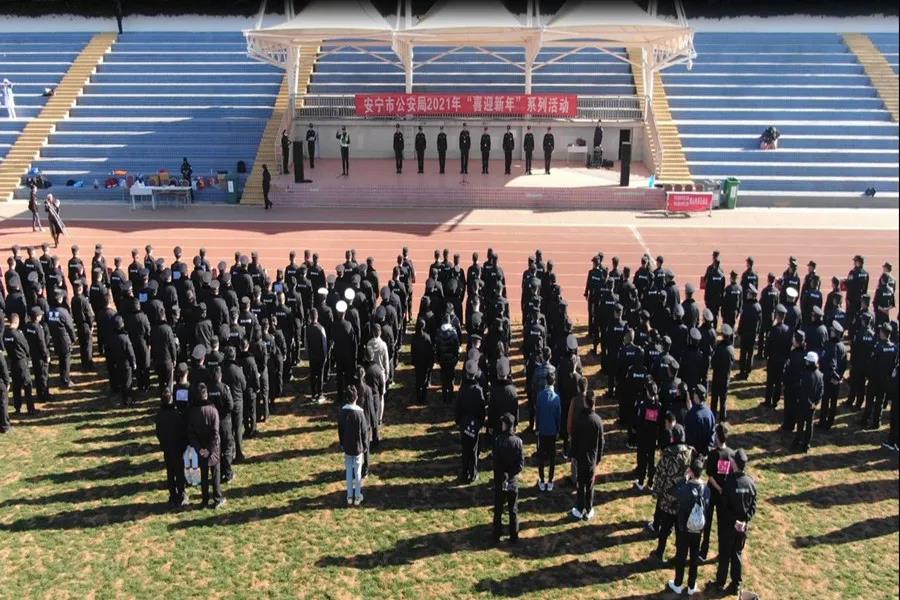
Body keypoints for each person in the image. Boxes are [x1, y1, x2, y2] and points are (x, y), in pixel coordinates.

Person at [715, 449, 757, 596]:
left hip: (729, 526)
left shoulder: (729, 482)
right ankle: (736, 585)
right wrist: (744, 521)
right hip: (742, 528)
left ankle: (720, 583)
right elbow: (753, 506)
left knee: (725, 555)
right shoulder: (751, 483)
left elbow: (724, 507)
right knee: (737, 554)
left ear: (735, 464)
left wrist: (734, 521)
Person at [667, 458, 710, 597]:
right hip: (698, 529)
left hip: (684, 528)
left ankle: (678, 584)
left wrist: (683, 479)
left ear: (690, 471)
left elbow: (671, 491)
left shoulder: (685, 489)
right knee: (694, 557)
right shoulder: (706, 489)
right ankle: (691, 585)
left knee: (681, 556)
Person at [651, 423, 692, 561]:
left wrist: (656, 492)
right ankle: (679, 556)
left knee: (665, 528)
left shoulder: (668, 454)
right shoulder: (690, 452)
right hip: (683, 498)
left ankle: (659, 552)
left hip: (668, 498)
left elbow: (660, 475)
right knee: (680, 530)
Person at [700, 423, 734, 563]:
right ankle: (722, 551)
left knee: (707, 523)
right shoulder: (731, 454)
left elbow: (710, 475)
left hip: (713, 492)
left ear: (717, 437)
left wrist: (718, 488)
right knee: (722, 525)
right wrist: (722, 489)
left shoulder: (713, 454)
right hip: (723, 494)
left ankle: (704, 551)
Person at [188, 383, 225, 509]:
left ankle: (205, 500)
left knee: (204, 474)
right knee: (215, 473)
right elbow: (215, 433)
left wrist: (199, 449)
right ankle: (217, 498)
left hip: (201, 448)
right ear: (206, 394)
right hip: (212, 448)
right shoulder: (213, 411)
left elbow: (191, 434)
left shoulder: (193, 412)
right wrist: (209, 449)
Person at [571, 390, 604, 521]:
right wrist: (598, 458)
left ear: (585, 403)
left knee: (580, 484)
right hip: (592, 459)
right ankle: (589, 509)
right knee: (590, 485)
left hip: (580, 457)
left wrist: (573, 455)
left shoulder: (579, 419)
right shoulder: (598, 421)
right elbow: (601, 442)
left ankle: (580, 509)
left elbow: (574, 439)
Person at [493, 412, 524, 543]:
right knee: (513, 509)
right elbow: (520, 465)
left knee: (498, 509)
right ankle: (513, 535)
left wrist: (503, 474)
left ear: (505, 425)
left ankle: (496, 534)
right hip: (512, 481)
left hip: (501, 480)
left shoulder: (498, 441)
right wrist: (511, 474)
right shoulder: (518, 442)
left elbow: (496, 462)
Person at [155, 390, 188, 508]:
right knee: (179, 472)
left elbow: (158, 432)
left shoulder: (159, 415)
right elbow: (182, 432)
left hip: (167, 448)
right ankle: (181, 494)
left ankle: (172, 495)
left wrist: (163, 443)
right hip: (177, 448)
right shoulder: (176, 414)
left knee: (170, 472)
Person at [455, 359, 485, 483]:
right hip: (475, 423)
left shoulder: (462, 389)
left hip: (464, 423)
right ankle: (472, 473)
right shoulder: (478, 390)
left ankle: (464, 472)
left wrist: (458, 421)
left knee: (465, 449)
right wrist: (481, 422)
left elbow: (458, 407)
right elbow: (481, 409)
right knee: (473, 449)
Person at [338, 385, 368, 506]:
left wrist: (342, 443)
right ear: (356, 397)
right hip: (358, 447)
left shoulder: (342, 412)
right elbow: (364, 431)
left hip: (347, 446)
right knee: (358, 472)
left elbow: (340, 430)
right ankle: (357, 496)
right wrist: (365, 445)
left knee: (349, 471)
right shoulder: (360, 413)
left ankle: (349, 496)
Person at [3, 313, 35, 414]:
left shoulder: (5, 334)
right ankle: (30, 409)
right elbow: (26, 347)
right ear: (17, 322)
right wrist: (28, 356)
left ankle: (17, 408)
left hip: (12, 362)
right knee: (27, 385)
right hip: (21, 362)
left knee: (16, 386)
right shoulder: (18, 334)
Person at [818, 322, 847, 430]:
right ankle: (830, 421)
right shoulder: (843, 347)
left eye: (832, 331)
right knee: (833, 401)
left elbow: (828, 363)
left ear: (836, 333)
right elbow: (844, 365)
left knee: (825, 401)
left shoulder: (831, 346)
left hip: (828, 378)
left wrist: (831, 376)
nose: (830, 332)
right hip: (837, 379)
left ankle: (822, 422)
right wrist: (839, 377)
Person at [535, 370, 561, 491]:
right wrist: (558, 430)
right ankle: (550, 481)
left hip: (542, 430)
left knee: (541, 456)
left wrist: (537, 427)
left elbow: (538, 414)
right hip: (552, 431)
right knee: (552, 457)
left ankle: (542, 480)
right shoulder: (557, 398)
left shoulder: (540, 395)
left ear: (546, 381)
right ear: (554, 382)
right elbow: (558, 417)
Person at [793, 351, 823, 452]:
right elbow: (821, 390)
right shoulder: (819, 374)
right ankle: (806, 444)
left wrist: (809, 403)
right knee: (809, 425)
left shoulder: (806, 375)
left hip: (804, 404)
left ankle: (798, 440)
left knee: (801, 423)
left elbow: (803, 392)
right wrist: (815, 403)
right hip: (812, 405)